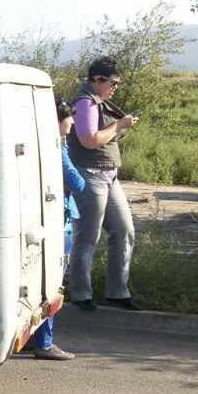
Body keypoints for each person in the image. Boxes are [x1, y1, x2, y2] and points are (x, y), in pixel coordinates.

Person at [67, 56, 142, 312]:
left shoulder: (98, 101)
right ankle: (80, 295)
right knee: (88, 237)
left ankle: (118, 293)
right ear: (97, 80)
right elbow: (89, 140)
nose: (115, 87)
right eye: (113, 82)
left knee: (125, 231)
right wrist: (119, 125)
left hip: (109, 176)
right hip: (90, 175)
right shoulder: (85, 103)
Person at [28, 98, 86, 360]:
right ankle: (45, 343)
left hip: (39, 220)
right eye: (69, 117)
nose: (73, 122)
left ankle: (34, 335)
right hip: (58, 224)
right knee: (53, 286)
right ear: (57, 120)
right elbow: (78, 182)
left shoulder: (34, 144)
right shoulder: (57, 149)